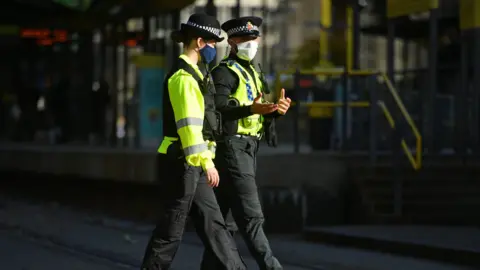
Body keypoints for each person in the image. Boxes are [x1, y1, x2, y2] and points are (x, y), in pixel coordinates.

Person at [141, 14, 246, 270]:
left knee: (215, 225)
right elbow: (188, 128)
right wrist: (206, 162)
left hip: (193, 163)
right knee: (171, 230)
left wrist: (204, 162)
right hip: (181, 162)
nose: (214, 48)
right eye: (211, 42)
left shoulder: (197, 75)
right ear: (199, 42)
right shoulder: (184, 78)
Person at [200, 16, 292, 270]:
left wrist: (275, 111)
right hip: (232, 148)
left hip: (249, 149)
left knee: (225, 224)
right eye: (246, 40)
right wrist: (251, 107)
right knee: (252, 218)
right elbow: (218, 107)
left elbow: (256, 110)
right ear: (232, 42)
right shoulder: (224, 72)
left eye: (255, 39)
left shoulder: (253, 72)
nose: (252, 44)